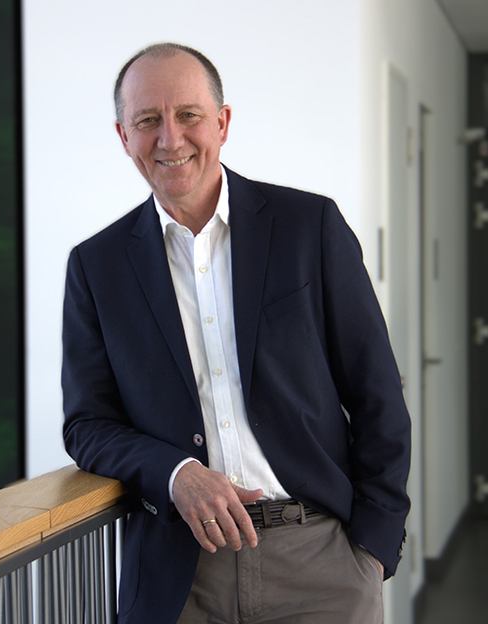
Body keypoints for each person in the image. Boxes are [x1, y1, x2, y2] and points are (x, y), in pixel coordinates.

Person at [62, 43, 411, 624]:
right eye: (147, 120)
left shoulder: (310, 227)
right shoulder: (96, 267)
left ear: (222, 123)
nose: (170, 138)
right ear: (124, 137)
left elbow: (376, 391)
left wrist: (374, 548)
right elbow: (87, 425)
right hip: (181, 578)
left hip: (322, 564)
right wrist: (175, 472)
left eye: (189, 115)